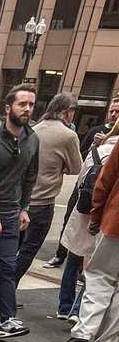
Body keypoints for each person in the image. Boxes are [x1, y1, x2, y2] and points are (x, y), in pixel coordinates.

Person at [0, 92, 81, 301]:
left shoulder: (33, 131)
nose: (27, 109)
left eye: (31, 105)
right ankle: (7, 292)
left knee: (10, 247)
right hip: (41, 200)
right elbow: (76, 168)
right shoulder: (67, 135)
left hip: (18, 199)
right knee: (27, 249)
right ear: (67, 112)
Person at [0, 86, 39, 339]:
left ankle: (7, 320)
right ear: (8, 107)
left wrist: (24, 208)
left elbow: (30, 177)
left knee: (8, 266)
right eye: (22, 104)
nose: (27, 109)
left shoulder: (32, 139)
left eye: (31, 105)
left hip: (11, 213)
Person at [52, 122, 119, 321]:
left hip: (84, 211)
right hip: (106, 217)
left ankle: (64, 307)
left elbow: (81, 179)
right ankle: (78, 311)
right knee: (96, 268)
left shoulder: (99, 149)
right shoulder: (112, 150)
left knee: (74, 258)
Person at [46, 93, 119, 266]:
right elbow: (81, 158)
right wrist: (95, 145)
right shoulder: (96, 131)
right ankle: (61, 254)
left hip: (103, 199)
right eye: (112, 110)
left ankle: (78, 265)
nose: (114, 114)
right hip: (85, 189)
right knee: (72, 228)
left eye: (117, 111)